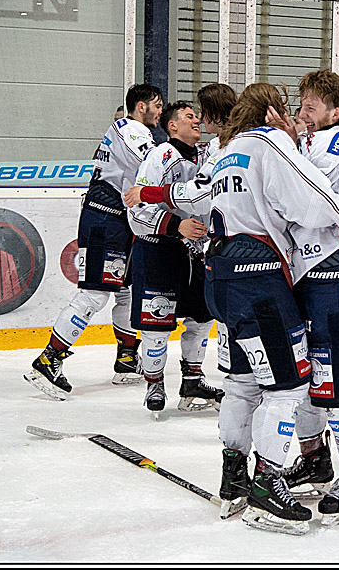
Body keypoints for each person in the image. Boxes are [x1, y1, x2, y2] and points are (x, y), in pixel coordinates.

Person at [203, 82, 339, 535]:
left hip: (221, 277)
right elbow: (313, 201)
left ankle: (233, 477)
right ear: (272, 110)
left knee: (242, 383)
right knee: (288, 386)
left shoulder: (224, 152)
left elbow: (191, 200)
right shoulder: (270, 142)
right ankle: (268, 483)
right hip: (260, 281)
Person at [263, 70, 339, 526]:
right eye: (302, 102)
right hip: (299, 276)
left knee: (338, 383)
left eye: (313, 105)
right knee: (305, 376)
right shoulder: (304, 141)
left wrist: (286, 144)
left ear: (337, 112)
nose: (303, 111)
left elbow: (311, 194)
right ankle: (314, 459)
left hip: (332, 274)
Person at [25, 83, 163, 399]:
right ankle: (49, 359)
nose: (159, 111)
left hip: (116, 219)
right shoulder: (132, 129)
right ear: (142, 106)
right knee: (94, 295)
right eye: (157, 105)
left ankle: (127, 359)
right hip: (106, 220)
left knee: (126, 291)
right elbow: (157, 166)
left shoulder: (125, 130)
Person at [126, 101, 220, 416]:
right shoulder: (159, 156)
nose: (196, 120)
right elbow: (136, 208)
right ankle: (154, 383)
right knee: (157, 325)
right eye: (189, 116)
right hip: (159, 250)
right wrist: (175, 225)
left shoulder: (210, 155)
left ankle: (192, 381)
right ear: (172, 126)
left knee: (203, 318)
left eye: (198, 115)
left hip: (196, 253)